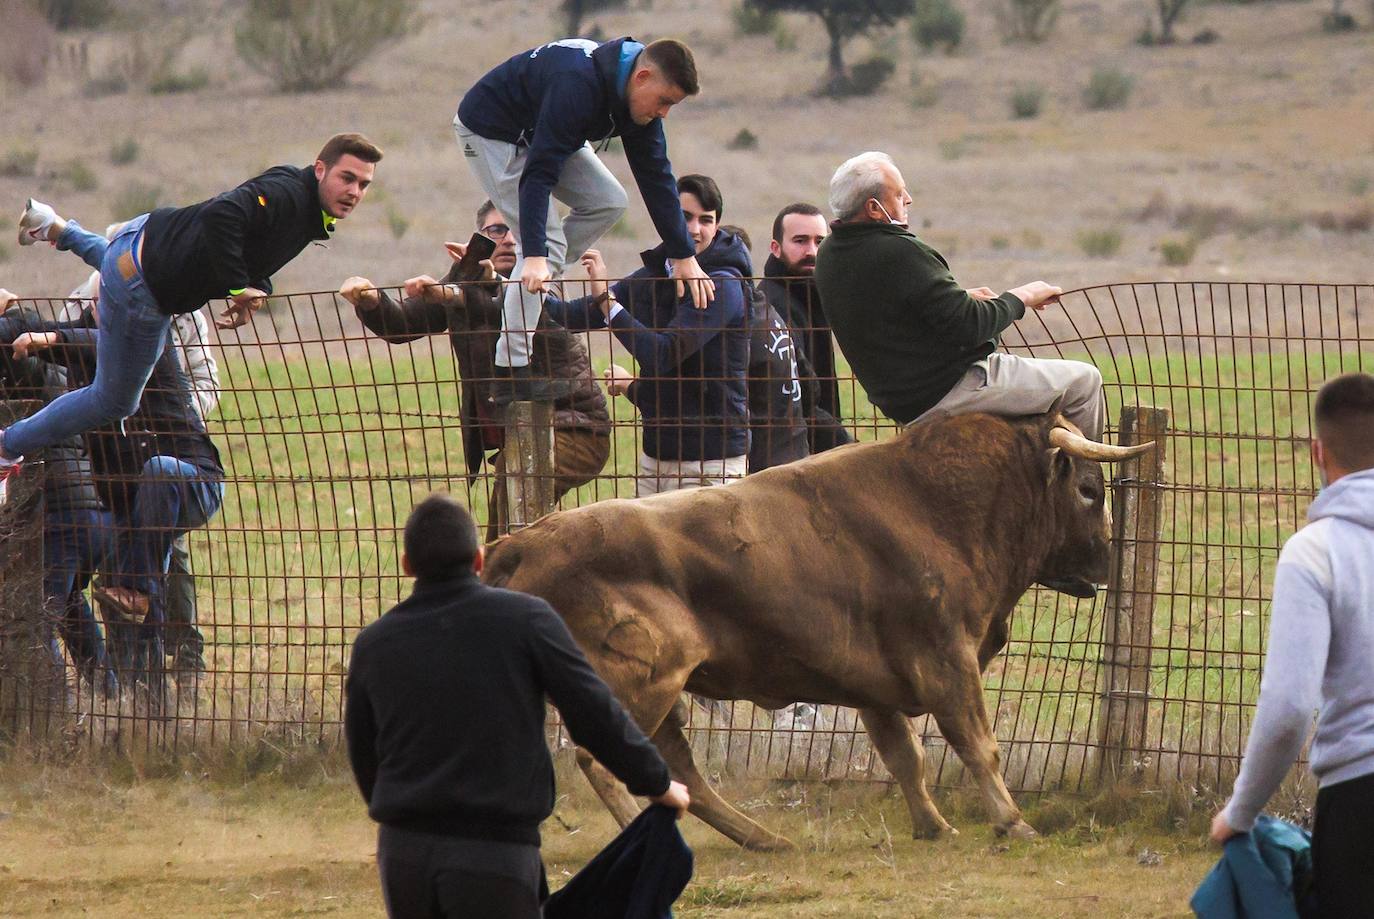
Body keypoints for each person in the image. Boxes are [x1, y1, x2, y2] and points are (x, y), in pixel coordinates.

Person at [345, 494, 690, 918]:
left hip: (404, 857)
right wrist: (656, 781)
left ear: (407, 565)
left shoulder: (374, 645)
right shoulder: (526, 620)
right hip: (494, 855)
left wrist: (405, 814)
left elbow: (365, 755)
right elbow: (592, 712)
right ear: (478, 560)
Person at [1, 133, 381, 499]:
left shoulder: (299, 201)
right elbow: (222, 214)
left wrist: (257, 289)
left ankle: (54, 227)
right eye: (347, 178)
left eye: (363, 185)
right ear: (319, 169)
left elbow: (252, 244)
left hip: (140, 244)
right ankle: (7, 449)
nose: (354, 192)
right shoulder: (287, 195)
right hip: (144, 291)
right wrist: (235, 286)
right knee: (115, 401)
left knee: (120, 270)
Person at [454, 37, 715, 402]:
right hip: (491, 132)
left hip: (542, 130)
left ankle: (531, 281)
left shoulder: (635, 103)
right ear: (641, 77)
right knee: (547, 245)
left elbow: (656, 177)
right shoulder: (577, 84)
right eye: (665, 101)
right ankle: (510, 375)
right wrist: (534, 254)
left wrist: (683, 254)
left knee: (609, 201)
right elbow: (540, 172)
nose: (665, 113)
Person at [339, 201, 612, 540]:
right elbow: (404, 324)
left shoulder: (542, 282)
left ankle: (492, 578)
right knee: (525, 522)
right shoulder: (463, 279)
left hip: (577, 428)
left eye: (519, 230)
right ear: (480, 238)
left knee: (512, 506)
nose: (510, 239)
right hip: (522, 432)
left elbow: (507, 312)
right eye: (498, 230)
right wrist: (370, 299)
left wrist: (463, 293)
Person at [1210, 372, 1374, 919]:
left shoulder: (1314, 553)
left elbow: (1286, 711)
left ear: (1317, 452)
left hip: (1360, 801)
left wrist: (1241, 811)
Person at [813, 152, 1102, 441]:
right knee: (1085, 381)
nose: (909, 199)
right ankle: (1085, 482)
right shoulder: (900, 252)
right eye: (899, 194)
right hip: (949, 389)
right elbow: (970, 327)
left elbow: (885, 308)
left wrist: (959, 298)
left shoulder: (830, 253)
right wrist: (1021, 296)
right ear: (875, 208)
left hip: (901, 401)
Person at [12, 308, 224, 682]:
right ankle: (135, 705)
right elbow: (36, 327)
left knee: (160, 477)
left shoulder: (151, 332)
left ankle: (138, 593)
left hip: (191, 481)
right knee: (125, 615)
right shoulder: (83, 327)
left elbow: (107, 345)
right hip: (122, 503)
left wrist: (55, 340)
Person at [543, 174, 750, 496]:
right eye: (684, 217)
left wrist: (606, 301)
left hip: (712, 460)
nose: (695, 230)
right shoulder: (654, 275)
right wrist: (506, 283)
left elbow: (662, 354)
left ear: (717, 225)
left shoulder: (722, 284)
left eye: (706, 220)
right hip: (657, 453)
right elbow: (570, 316)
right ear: (664, 218)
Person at [62, 260, 220, 673]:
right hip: (114, 467)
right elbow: (67, 370)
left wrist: (172, 415)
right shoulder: (81, 305)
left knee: (169, 559)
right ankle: (134, 675)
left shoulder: (182, 316)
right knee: (121, 563)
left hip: (171, 458)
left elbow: (205, 379)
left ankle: (185, 653)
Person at [0, 305, 117, 695]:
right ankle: (109, 694)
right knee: (68, 604)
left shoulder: (22, 369)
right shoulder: (70, 372)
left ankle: (56, 709)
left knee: (37, 618)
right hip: (95, 511)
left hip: (59, 513)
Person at [759, 203, 852, 453]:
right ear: (775, 248)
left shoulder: (812, 293)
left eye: (819, 241)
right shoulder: (771, 306)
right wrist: (846, 448)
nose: (812, 251)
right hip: (786, 452)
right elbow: (803, 399)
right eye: (800, 241)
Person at [720, 223, 809, 473]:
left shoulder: (737, 321)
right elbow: (810, 382)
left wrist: (631, 387)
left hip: (766, 467)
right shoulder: (768, 310)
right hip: (795, 449)